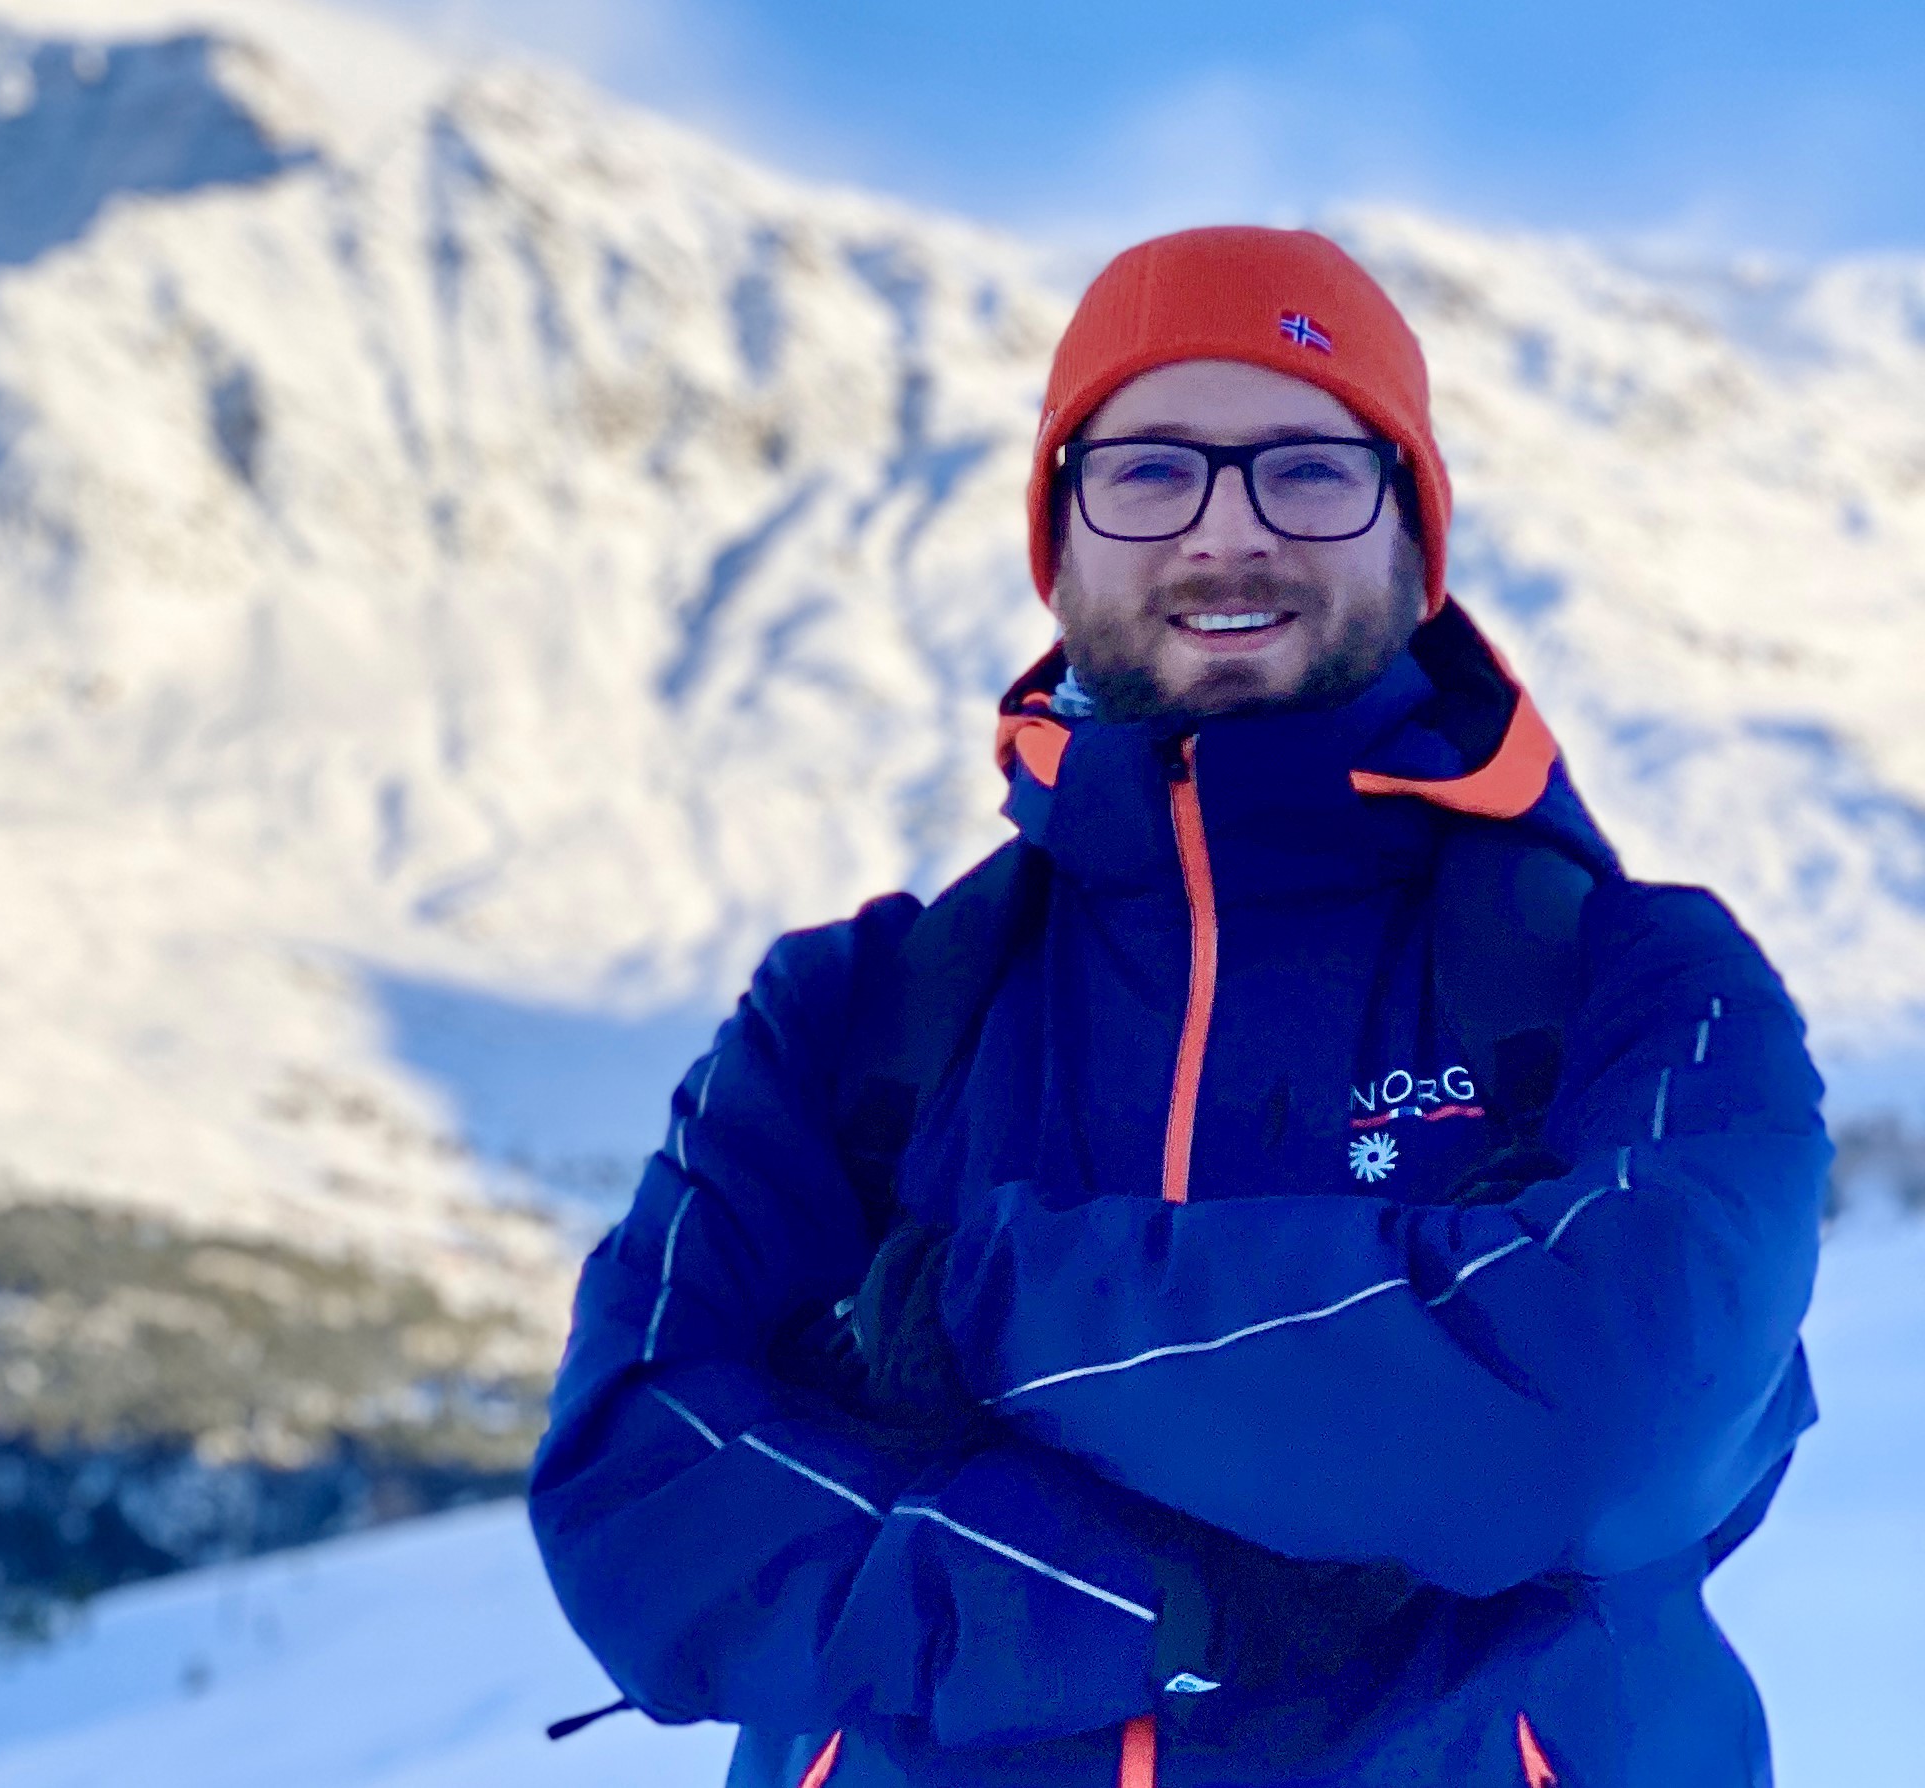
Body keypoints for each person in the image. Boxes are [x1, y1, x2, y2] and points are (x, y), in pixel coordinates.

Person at [529, 227, 1827, 1788]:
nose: (1227, 534)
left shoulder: (1644, 985)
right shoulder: (850, 1021)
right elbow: (641, 1492)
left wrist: (963, 1311)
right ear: (1058, 545)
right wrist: (1172, 1599)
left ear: (1415, 543)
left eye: (1308, 468)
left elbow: (1613, 1406)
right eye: (1148, 472)